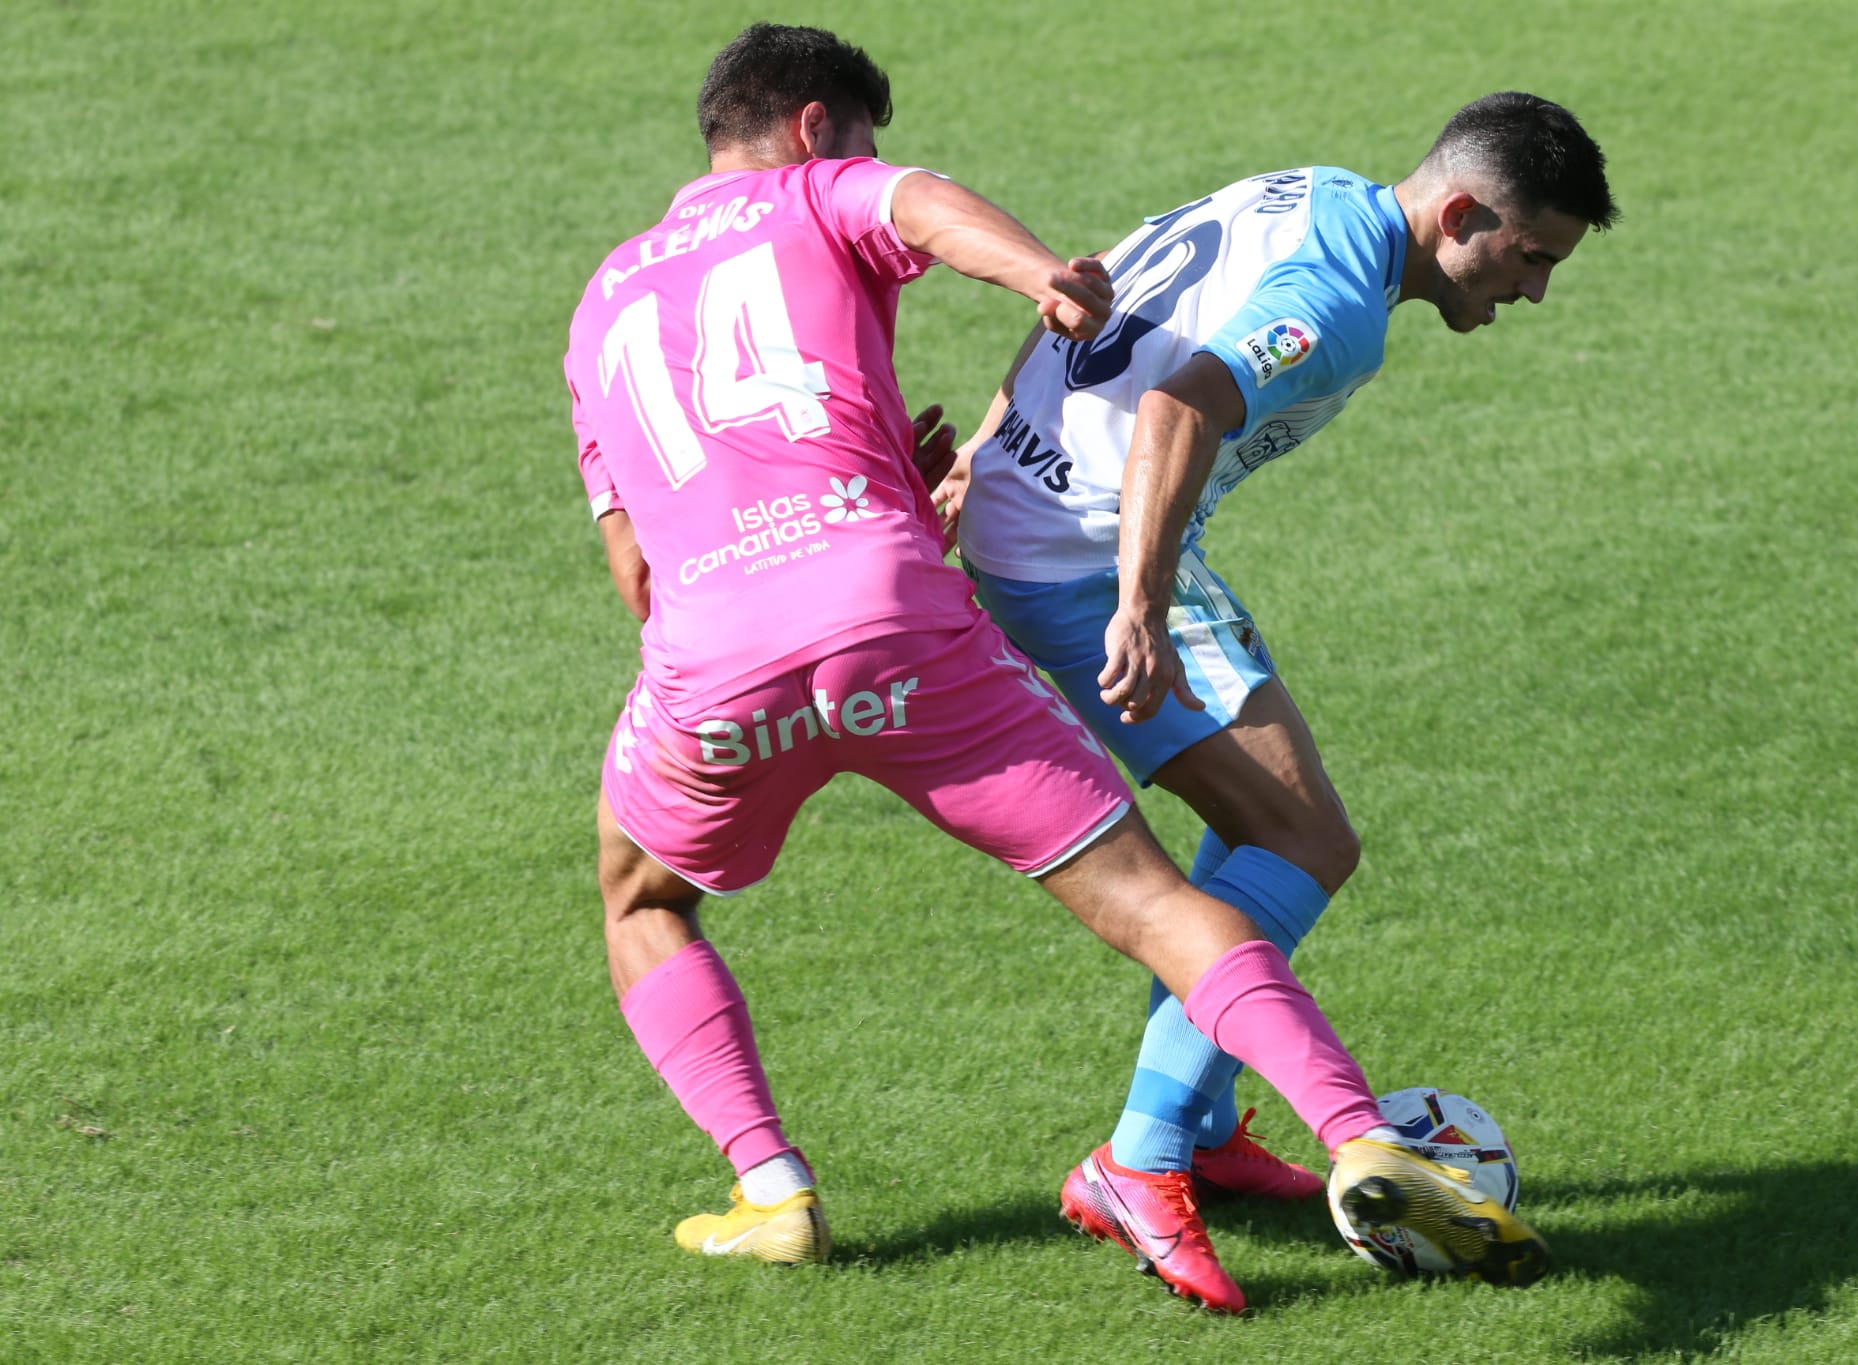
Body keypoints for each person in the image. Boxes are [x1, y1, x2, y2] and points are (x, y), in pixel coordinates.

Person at [563, 24, 1550, 1312]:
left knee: (639, 898)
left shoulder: (599, 303)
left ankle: (772, 1192)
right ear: (815, 130)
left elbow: (636, 572)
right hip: (915, 613)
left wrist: (957, 464)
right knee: (1202, 879)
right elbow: (921, 211)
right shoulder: (822, 187)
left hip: (718, 663)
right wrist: (1041, 273)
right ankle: (1321, 1139)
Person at [946, 92, 1617, 1303]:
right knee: (1304, 839)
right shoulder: (1339, 306)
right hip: (1086, 554)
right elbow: (1176, 403)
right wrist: (1139, 605)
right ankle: (1136, 1162)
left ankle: (1194, 1128)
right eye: (1527, 257)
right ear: (1459, 211)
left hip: (1041, 515)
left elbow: (1090, 293)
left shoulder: (1307, 190)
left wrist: (987, 449)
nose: (1530, 293)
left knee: (1253, 833)